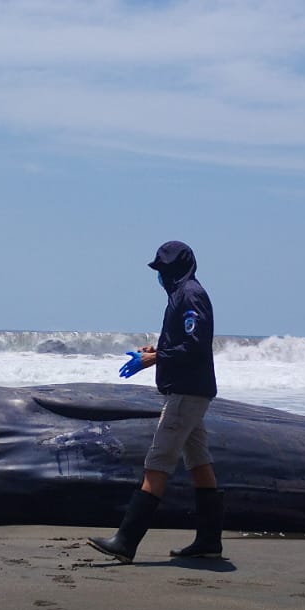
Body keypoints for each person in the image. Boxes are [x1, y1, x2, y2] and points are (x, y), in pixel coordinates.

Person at [88, 241, 225, 563]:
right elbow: (183, 343)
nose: (160, 276)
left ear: (177, 268)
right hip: (189, 390)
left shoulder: (191, 294)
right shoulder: (181, 295)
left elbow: (196, 346)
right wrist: (155, 351)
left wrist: (155, 359)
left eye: (163, 269)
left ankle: (126, 540)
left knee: (158, 459)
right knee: (199, 463)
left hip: (186, 393)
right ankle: (209, 541)